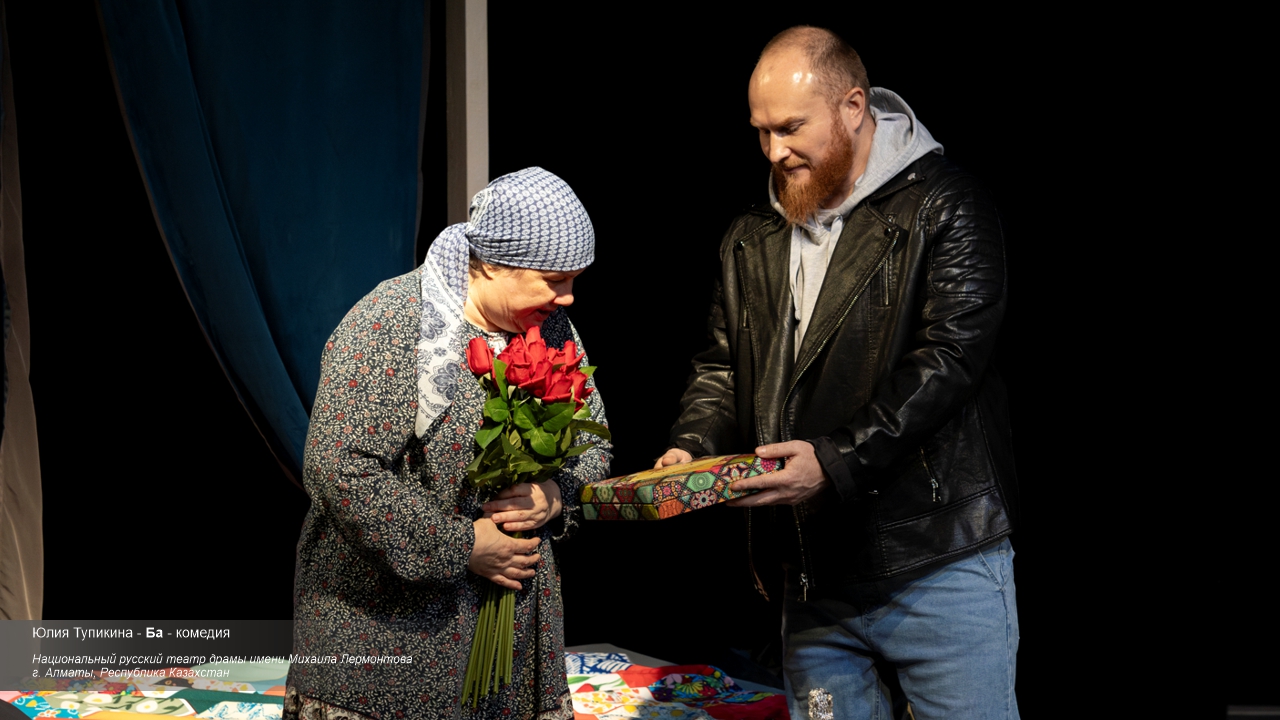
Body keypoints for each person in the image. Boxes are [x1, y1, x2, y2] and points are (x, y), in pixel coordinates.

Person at [655, 27, 1020, 719]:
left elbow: (949, 360)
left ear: (853, 107)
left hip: (936, 561)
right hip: (813, 573)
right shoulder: (752, 236)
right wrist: (691, 448)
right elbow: (722, 364)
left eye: (791, 128)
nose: (774, 151)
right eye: (761, 131)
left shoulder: (946, 205)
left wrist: (834, 461)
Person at [286, 167, 611, 720]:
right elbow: (338, 467)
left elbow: (593, 440)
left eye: (575, 279)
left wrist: (556, 494)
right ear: (492, 263)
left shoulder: (552, 328)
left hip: (511, 652)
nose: (569, 297)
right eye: (554, 279)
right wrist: (460, 546)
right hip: (387, 648)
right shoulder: (393, 321)